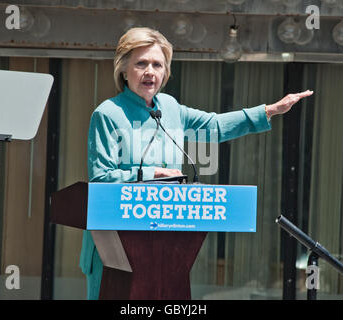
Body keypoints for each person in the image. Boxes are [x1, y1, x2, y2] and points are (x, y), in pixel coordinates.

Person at [80, 27, 313, 299]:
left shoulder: (169, 108)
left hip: (162, 244)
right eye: (141, 63)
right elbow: (100, 178)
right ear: (123, 69)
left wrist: (269, 111)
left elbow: (213, 126)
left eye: (157, 64)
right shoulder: (108, 114)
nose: (150, 72)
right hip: (115, 249)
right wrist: (150, 174)